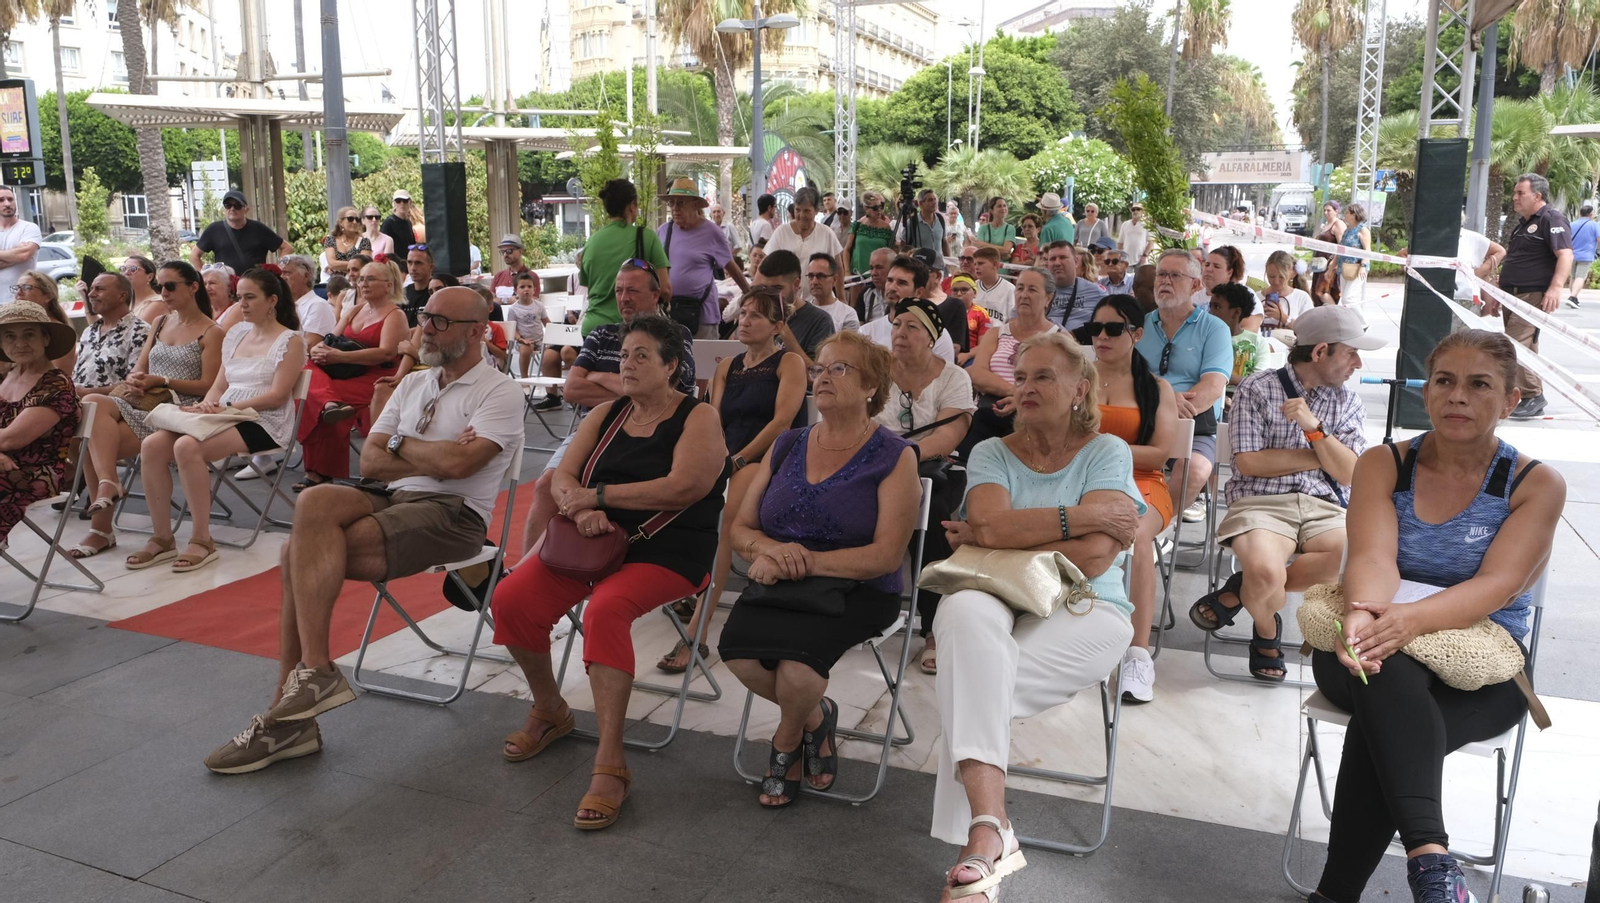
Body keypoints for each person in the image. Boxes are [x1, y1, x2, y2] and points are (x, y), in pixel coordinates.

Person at [203, 286, 525, 775]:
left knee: (298, 556)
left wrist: (402, 443)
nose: (424, 330)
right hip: (391, 494)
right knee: (314, 498)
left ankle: (290, 718)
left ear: (478, 331)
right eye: (424, 317)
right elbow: (371, 458)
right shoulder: (415, 384)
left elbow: (461, 466)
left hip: (453, 513)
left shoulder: (498, 390)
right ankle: (315, 672)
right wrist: (417, 450)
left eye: (440, 321)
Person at [1307, 329, 1563, 903]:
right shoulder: (1385, 462)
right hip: (1368, 643)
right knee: (1386, 672)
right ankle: (1433, 866)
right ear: (1427, 393)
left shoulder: (1536, 482)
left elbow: (1498, 585)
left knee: (1386, 723)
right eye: (1445, 381)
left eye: (1479, 385)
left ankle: (1335, 896)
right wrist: (1366, 615)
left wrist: (1409, 622)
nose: (1458, 397)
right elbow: (1372, 557)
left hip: (1485, 668)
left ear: (1511, 400)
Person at [489, 316, 726, 828]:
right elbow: (563, 477)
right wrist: (581, 510)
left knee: (606, 610)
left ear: (672, 367)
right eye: (625, 354)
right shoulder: (608, 413)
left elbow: (683, 486)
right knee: (510, 599)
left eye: (643, 355)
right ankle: (550, 707)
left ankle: (611, 763)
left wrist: (600, 497)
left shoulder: (697, 418)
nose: (628, 362)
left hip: (668, 549)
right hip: (592, 543)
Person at [930, 332, 1141, 900]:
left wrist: (993, 537)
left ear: (1080, 389)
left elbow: (1099, 559)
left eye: (1043, 377)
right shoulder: (991, 452)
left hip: (1088, 606)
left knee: (968, 679)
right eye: (1020, 377)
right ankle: (988, 835)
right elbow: (998, 529)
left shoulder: (1107, 452)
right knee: (963, 608)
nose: (1025, 388)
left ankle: (986, 836)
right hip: (1000, 597)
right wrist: (1080, 514)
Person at [718, 330, 920, 807]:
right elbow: (742, 528)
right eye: (819, 368)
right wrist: (770, 550)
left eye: (839, 368)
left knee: (797, 673)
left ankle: (785, 743)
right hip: (782, 583)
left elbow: (886, 556)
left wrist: (801, 563)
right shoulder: (788, 444)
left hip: (860, 588)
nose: (822, 377)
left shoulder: (895, 457)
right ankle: (815, 719)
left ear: (872, 386)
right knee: (739, 654)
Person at [1190, 305, 1380, 681]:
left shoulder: (1347, 400)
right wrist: (1321, 453)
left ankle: (1241, 591)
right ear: (1320, 351)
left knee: (1353, 559)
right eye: (1351, 352)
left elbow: (1350, 472)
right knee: (1263, 570)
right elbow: (1250, 464)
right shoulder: (1258, 388)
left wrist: (1315, 428)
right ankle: (1265, 629)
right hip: (1261, 502)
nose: (1358, 363)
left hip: (1324, 506)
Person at [655, 287, 807, 674]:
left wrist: (737, 459)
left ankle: (697, 632)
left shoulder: (789, 363)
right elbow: (711, 421)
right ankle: (677, 590)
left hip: (771, 459)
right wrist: (713, 458)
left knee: (722, 521)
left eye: (756, 315)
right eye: (743, 313)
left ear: (777, 326)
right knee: (674, 498)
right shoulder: (727, 366)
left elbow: (782, 423)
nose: (744, 320)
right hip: (727, 457)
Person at [516, 261, 698, 557]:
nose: (624, 297)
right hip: (592, 430)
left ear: (655, 295)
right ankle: (525, 572)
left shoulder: (675, 334)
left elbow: (675, 390)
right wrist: (637, 386)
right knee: (546, 484)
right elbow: (573, 390)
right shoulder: (601, 334)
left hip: (651, 431)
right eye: (619, 290)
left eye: (633, 291)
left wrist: (597, 376)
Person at [137, 267, 306, 573]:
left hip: (263, 420)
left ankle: (202, 539)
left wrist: (227, 407)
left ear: (272, 300)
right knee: (151, 445)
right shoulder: (237, 333)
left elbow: (278, 396)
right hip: (224, 412)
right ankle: (162, 536)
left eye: (250, 297)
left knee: (188, 447)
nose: (242, 304)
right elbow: (219, 383)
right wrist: (206, 405)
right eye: (239, 297)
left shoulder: (290, 340)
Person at [77, 263, 224, 562]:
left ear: (193, 287)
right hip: (143, 399)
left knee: (92, 438)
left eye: (170, 286)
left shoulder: (212, 331)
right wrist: (136, 379)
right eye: (160, 287)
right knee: (91, 403)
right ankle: (109, 482)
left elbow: (208, 385)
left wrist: (162, 380)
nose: (164, 292)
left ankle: (102, 528)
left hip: (174, 406)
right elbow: (140, 367)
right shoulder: (160, 322)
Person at [1084, 294, 1178, 703]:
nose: (1102, 336)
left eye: (1113, 329)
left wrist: (1099, 446)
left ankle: (1137, 654)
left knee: (1136, 537)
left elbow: (1159, 454)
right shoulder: (1076, 378)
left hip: (1143, 481)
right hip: (1083, 478)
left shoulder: (1157, 388)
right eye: (1096, 329)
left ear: (1136, 334)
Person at [875, 298, 974, 675]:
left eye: (912, 327)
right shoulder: (875, 369)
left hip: (934, 467)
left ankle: (933, 628)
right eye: (897, 324)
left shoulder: (954, 377)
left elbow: (949, 435)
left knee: (929, 508)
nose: (900, 333)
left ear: (931, 338)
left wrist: (900, 460)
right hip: (874, 463)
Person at [294, 259, 408, 491]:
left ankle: (320, 471)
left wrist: (339, 357)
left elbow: (386, 353)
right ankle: (329, 405)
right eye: (361, 279)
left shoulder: (395, 315)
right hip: (343, 371)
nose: (363, 283)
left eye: (370, 279)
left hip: (375, 376)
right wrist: (319, 349)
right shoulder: (355, 309)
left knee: (312, 398)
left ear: (388, 285)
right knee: (305, 370)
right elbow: (331, 339)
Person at [1136, 249, 1232, 525]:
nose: (1164, 281)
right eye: (1160, 275)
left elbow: (1212, 387)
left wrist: (1165, 408)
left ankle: (1153, 528)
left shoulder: (1214, 329)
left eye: (1175, 275)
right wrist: (1163, 402)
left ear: (1196, 285)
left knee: (1197, 470)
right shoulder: (1139, 325)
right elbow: (1124, 376)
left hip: (1192, 423)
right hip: (1142, 418)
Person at [1493, 174, 1574, 420]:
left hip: (1532, 294)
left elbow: (1565, 255)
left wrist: (1556, 287)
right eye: (1515, 193)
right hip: (1512, 295)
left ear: (1537, 196)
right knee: (1526, 348)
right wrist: (1499, 292)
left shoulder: (1551, 219)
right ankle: (1531, 395)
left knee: (1514, 346)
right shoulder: (1522, 224)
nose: (1514, 197)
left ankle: (1529, 396)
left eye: (1520, 193)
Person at [0, 302, 79, 553]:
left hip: (36, 471)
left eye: (29, 334)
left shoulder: (55, 385)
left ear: (46, 338)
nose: (19, 343)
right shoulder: (6, 376)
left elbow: (12, 440)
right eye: (10, 336)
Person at [964, 267, 1064, 459]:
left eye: (1032, 290)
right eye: (1020, 288)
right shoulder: (997, 333)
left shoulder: (1059, 339)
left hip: (1035, 420)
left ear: (1048, 298)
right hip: (990, 413)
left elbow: (1061, 389)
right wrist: (1016, 393)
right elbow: (977, 373)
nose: (1024, 295)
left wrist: (1022, 401)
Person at [579, 179, 673, 336]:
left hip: (592, 330)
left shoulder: (591, 242)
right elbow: (665, 289)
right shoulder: (646, 237)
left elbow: (589, 288)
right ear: (632, 205)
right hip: (631, 330)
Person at [658, 178, 748, 340]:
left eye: (681, 203)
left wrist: (749, 293)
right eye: (672, 203)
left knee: (703, 362)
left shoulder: (712, 232)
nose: (675, 208)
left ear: (695, 205)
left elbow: (730, 266)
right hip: (670, 313)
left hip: (702, 314)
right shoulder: (664, 231)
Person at [859, 255, 956, 362]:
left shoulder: (937, 336)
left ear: (919, 292)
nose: (892, 288)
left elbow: (944, 376)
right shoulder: (866, 333)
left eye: (902, 283)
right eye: (890, 280)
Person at [70, 273, 150, 402]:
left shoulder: (140, 331)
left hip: (110, 408)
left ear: (122, 296)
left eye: (100, 289)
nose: (91, 294)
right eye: (91, 289)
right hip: (76, 404)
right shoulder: (90, 331)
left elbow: (136, 384)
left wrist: (85, 393)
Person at [765, 187, 846, 300]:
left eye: (807, 211)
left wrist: (842, 298)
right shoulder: (781, 232)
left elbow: (838, 268)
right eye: (797, 210)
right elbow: (766, 265)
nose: (802, 215)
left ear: (816, 210)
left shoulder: (826, 233)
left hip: (819, 303)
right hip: (787, 302)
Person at [758, 249, 834, 370]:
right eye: (764, 288)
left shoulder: (820, 321)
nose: (769, 295)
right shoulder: (759, 314)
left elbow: (815, 375)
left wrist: (784, 331)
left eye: (777, 288)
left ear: (796, 284)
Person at [192, 190, 293, 274]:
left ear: (246, 209)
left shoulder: (258, 228)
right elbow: (194, 255)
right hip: (227, 287)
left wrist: (276, 271)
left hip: (255, 284)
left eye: (237, 205)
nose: (232, 209)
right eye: (228, 205)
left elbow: (287, 248)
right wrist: (204, 276)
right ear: (224, 209)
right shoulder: (214, 229)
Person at [1209, 282, 1269, 407]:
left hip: (1246, 399)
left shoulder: (1257, 342)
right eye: (1210, 306)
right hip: (1212, 396)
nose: (1210, 312)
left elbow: (1259, 382)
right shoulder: (1205, 338)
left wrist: (1227, 378)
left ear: (1236, 312)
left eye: (1217, 307)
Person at [10, 272, 77, 374]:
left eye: (27, 287)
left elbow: (59, 380)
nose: (18, 292)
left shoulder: (59, 333)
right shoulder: (12, 327)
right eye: (16, 288)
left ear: (48, 296)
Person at [1042, 239, 1105, 334]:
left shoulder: (1096, 293)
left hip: (1079, 346)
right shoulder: (1039, 290)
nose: (1057, 263)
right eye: (1052, 259)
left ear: (1075, 262)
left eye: (1062, 257)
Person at [280, 255, 334, 348]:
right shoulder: (282, 306)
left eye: (287, 273)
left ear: (306, 276)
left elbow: (308, 346)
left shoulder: (317, 305)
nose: (281, 278)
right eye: (280, 274)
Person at [0, 186, 41, 302]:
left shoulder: (29, 228)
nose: (7, 203)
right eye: (1, 200)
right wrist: (15, 255)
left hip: (22, 301)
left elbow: (24, 254)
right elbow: (20, 256)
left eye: (10, 199)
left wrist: (20, 256)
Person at [506, 271, 549, 379]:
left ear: (534, 289)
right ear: (516, 290)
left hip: (540, 340)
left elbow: (547, 323)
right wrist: (520, 339)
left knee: (551, 353)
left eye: (529, 286)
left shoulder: (539, 306)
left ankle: (548, 376)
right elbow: (513, 330)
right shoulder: (513, 309)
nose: (526, 289)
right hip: (523, 341)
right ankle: (525, 377)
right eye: (522, 287)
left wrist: (552, 338)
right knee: (525, 350)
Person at [1261, 249, 1314, 337]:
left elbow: (1310, 331)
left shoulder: (1301, 297)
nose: (1276, 281)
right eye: (1271, 276)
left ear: (1292, 273)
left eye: (1281, 277)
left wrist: (1284, 318)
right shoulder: (1256, 297)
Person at [808, 252, 859, 333]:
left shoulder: (847, 314)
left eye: (820, 276)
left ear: (834, 279)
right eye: (811, 276)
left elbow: (847, 345)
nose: (814, 281)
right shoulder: (800, 311)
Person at [1336, 201, 1373, 311]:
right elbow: (1340, 248)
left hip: (1357, 268)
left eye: (1347, 213)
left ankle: (1364, 323)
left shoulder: (1362, 229)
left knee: (1349, 298)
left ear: (1354, 214)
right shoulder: (1347, 230)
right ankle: (1354, 323)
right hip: (1344, 267)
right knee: (1345, 300)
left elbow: (1367, 249)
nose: (1345, 215)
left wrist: (1363, 265)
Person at [321, 207, 371, 282]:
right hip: (335, 284)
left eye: (357, 219)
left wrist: (339, 268)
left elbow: (364, 265)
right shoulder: (330, 240)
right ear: (341, 222)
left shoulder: (364, 242)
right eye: (350, 219)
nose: (354, 222)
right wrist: (354, 267)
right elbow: (332, 263)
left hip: (356, 283)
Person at [950, 274, 990, 365]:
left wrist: (967, 355)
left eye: (964, 290)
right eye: (955, 290)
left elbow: (984, 345)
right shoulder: (944, 310)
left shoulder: (981, 313)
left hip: (970, 358)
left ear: (974, 293)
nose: (959, 294)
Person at [1312, 200, 1347, 303]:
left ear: (1336, 211)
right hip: (1319, 263)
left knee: (1321, 291)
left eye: (1329, 210)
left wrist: (1334, 263)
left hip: (1329, 263)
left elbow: (1342, 245)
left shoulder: (1338, 224)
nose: (1326, 213)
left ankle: (1335, 314)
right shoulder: (1326, 225)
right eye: (1324, 210)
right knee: (1315, 291)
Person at [898, 188, 949, 259]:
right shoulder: (912, 222)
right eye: (930, 200)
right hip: (919, 265)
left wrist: (949, 261)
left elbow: (944, 242)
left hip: (938, 266)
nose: (934, 202)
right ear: (921, 203)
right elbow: (903, 246)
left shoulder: (940, 219)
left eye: (935, 199)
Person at [851, 245, 894, 324]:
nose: (874, 273)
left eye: (879, 267)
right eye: (871, 268)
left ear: (893, 268)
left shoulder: (902, 294)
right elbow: (859, 325)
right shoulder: (866, 293)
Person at [970, 247, 1015, 321]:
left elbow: (1013, 322)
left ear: (995, 264)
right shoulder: (971, 287)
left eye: (980, 263)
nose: (976, 267)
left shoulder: (1010, 290)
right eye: (975, 264)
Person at [123, 256, 168, 324]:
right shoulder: (125, 301)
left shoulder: (158, 302)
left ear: (149, 277)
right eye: (123, 268)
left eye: (133, 269)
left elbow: (136, 330)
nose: (126, 272)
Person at [1568, 202, 1596, 308]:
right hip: (1586, 255)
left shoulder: (1571, 224)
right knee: (1580, 276)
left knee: (1573, 277)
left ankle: (1574, 298)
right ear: (1591, 214)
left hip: (1571, 254)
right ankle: (1572, 297)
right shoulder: (1594, 225)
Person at [974, 197, 1018, 261]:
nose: (1003, 208)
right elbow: (979, 248)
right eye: (999, 206)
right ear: (991, 210)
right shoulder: (983, 228)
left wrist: (984, 245)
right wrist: (1001, 251)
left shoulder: (1010, 228)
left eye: (1004, 206)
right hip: (985, 266)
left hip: (1003, 268)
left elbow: (1006, 250)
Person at [402, 244, 435, 324]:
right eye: (409, 262)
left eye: (418, 263)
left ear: (431, 267)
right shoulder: (403, 293)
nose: (413, 268)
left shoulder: (436, 291)